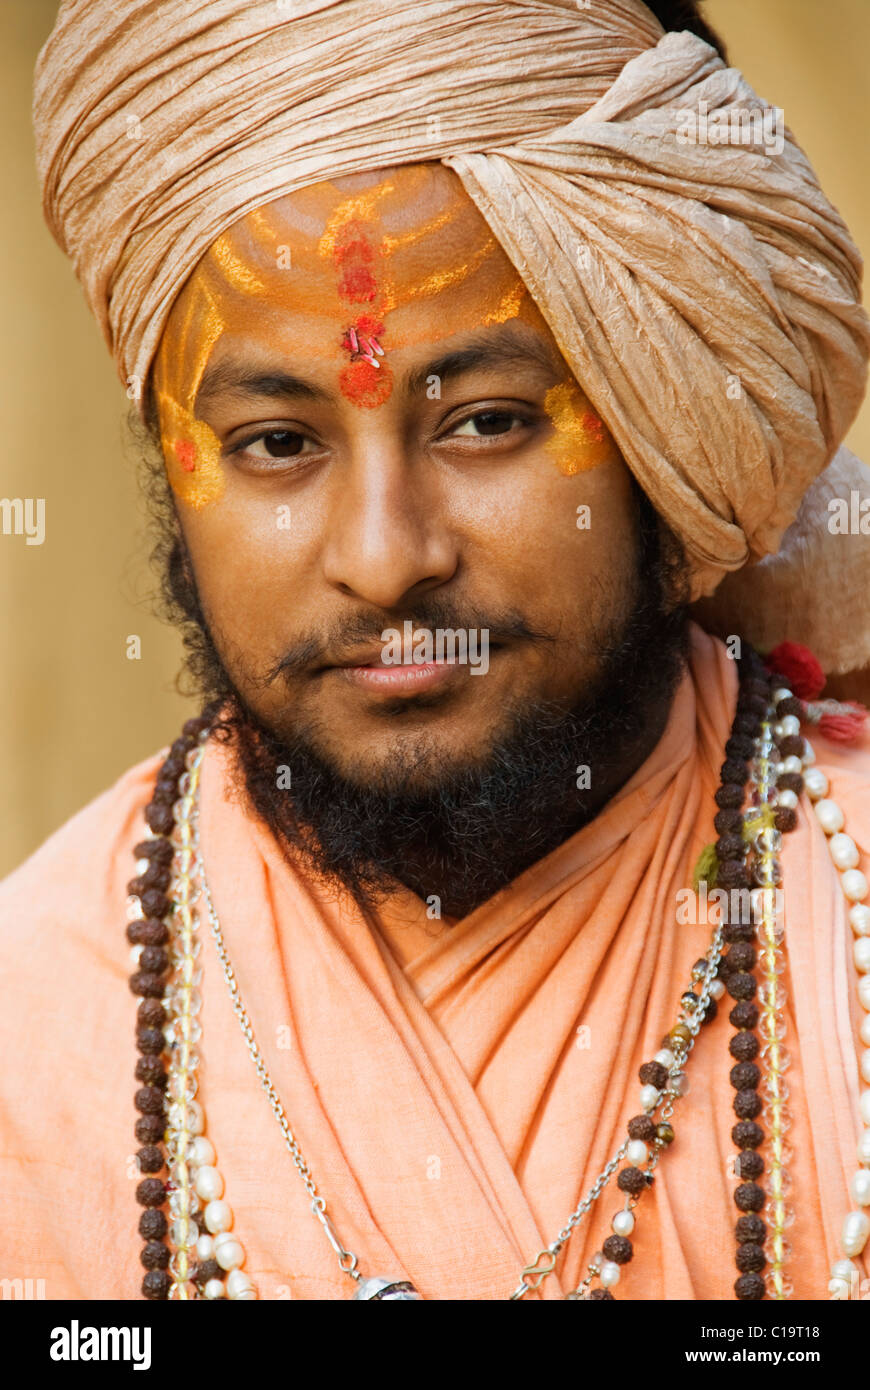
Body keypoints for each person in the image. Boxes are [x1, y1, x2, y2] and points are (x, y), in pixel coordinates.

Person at [2, 0, 869, 1302]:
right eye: (277, 444)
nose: (385, 556)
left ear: (659, 420)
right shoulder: (34, 1022)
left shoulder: (845, 915)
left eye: (486, 421)